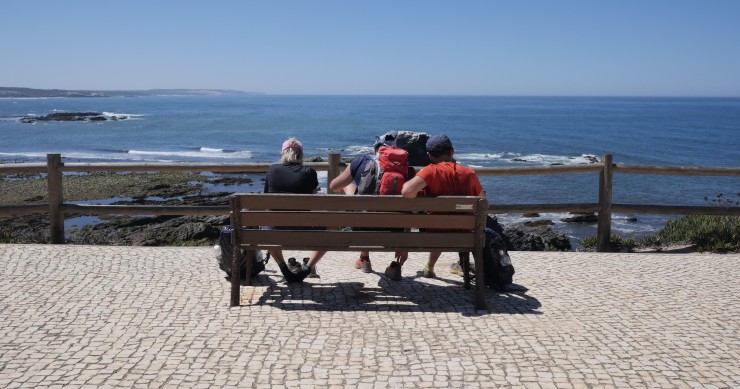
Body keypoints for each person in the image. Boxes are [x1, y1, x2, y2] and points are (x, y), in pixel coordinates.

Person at [328, 132, 413, 275]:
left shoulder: (361, 161)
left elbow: (333, 186)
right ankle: (396, 266)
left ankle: (364, 258)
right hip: (395, 232)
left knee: (348, 187)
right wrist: (404, 244)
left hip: (362, 229)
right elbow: (411, 210)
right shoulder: (408, 171)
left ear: (377, 149)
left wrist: (353, 171)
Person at [401, 134, 485, 278]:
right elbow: (483, 203)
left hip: (434, 235)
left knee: (439, 222)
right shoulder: (469, 174)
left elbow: (407, 192)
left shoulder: (430, 171)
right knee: (455, 221)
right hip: (466, 237)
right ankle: (479, 274)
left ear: (429, 155)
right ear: (452, 151)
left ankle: (430, 267)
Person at [263, 137, 326, 282]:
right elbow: (313, 201)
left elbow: (266, 199)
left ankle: (284, 268)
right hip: (305, 230)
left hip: (274, 230)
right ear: (301, 155)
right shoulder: (309, 172)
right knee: (332, 228)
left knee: (266, 226)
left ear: (283, 153)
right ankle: (307, 269)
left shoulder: (272, 170)